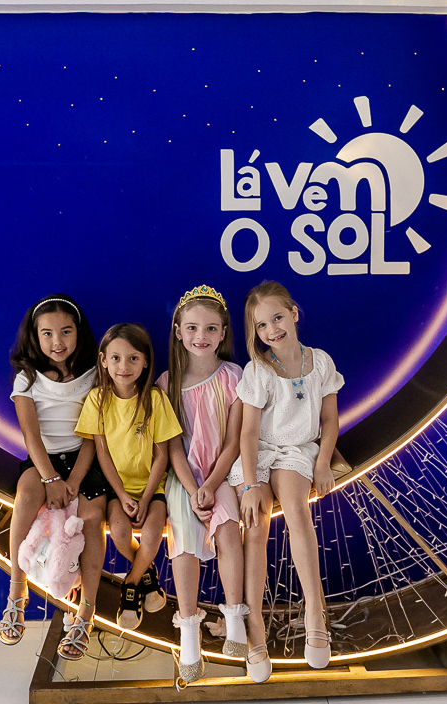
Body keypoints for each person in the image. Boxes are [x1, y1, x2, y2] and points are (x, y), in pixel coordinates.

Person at [229, 281, 343, 681]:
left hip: (296, 451)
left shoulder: (321, 362)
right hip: (260, 452)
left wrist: (324, 461)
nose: (272, 330)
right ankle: (255, 627)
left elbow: (330, 420)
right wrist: (249, 485)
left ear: (293, 314)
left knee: (296, 509)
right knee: (256, 524)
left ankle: (315, 612)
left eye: (277, 318)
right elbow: (247, 434)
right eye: (261, 325)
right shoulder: (258, 370)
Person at [0, 295, 109, 662]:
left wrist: (75, 480)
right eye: (47, 333)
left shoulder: (94, 374)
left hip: (85, 460)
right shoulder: (27, 378)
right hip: (43, 460)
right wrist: (50, 479)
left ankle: (86, 613)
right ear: (35, 336)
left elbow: (93, 435)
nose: (57, 341)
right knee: (26, 494)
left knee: (92, 516)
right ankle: (17, 589)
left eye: (65, 331)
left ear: (79, 332)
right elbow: (31, 437)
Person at [158, 285, 247, 685]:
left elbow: (233, 442)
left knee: (228, 528)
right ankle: (189, 630)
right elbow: (173, 445)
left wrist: (210, 484)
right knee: (183, 537)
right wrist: (193, 487)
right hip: (184, 477)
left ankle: (235, 617)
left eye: (211, 328)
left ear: (223, 333)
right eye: (192, 328)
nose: (201, 336)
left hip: (221, 473)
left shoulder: (234, 377)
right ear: (178, 331)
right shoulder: (166, 383)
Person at [76, 323, 183, 630]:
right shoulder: (96, 400)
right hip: (117, 489)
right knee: (121, 535)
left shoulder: (155, 399)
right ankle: (147, 575)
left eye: (133, 358)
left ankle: (132, 583)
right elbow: (102, 454)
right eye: (116, 358)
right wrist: (122, 495)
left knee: (151, 537)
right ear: (103, 361)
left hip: (152, 487)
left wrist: (146, 498)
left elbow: (162, 455)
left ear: (145, 361)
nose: (124, 366)